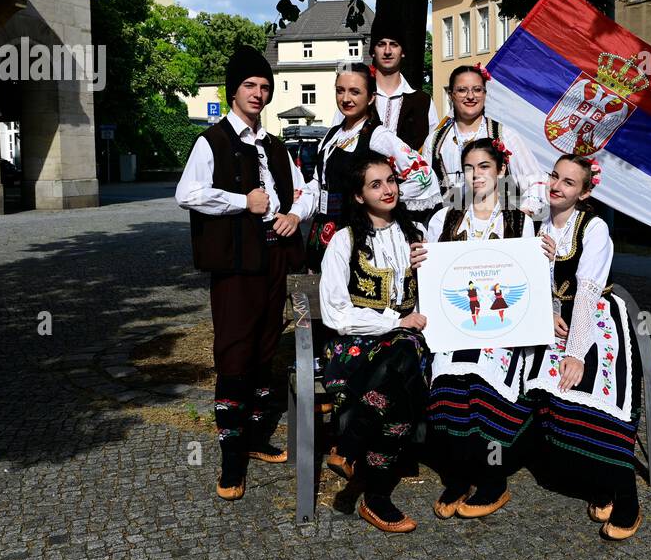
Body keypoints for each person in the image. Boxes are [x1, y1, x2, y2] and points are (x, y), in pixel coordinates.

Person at [175, 45, 315, 500]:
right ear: (233, 90)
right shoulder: (211, 141)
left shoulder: (273, 145)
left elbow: (306, 188)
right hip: (235, 264)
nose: (258, 93)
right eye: (250, 86)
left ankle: (254, 438)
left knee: (264, 348)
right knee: (235, 354)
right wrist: (241, 202)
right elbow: (188, 193)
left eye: (264, 87)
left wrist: (294, 213)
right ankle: (231, 459)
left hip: (275, 256)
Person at [412, 138, 534, 520]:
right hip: (455, 325)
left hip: (503, 328)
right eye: (468, 168)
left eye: (484, 166)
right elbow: (430, 279)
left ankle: (493, 477)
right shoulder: (444, 219)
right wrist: (418, 261)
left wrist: (540, 259)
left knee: (483, 381)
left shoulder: (519, 220)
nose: (476, 175)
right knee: (450, 379)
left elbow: (528, 282)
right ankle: (460, 474)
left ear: (500, 171)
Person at [523, 155, 643, 541]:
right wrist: (547, 311)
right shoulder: (535, 220)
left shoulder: (594, 230)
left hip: (595, 318)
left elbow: (588, 293)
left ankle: (624, 494)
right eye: (554, 176)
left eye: (569, 183)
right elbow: (531, 278)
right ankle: (594, 476)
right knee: (534, 379)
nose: (557, 186)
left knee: (598, 390)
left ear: (585, 192)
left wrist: (576, 351)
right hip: (550, 317)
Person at [319, 153, 433, 533]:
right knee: (401, 369)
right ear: (357, 196)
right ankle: (377, 497)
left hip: (406, 347)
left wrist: (427, 270)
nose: (388, 190)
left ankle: (351, 445)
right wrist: (393, 321)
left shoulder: (417, 233)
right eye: (375, 184)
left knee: (403, 354)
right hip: (356, 350)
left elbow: (437, 299)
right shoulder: (343, 241)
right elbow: (335, 312)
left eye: (391, 180)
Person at [304, 61, 440, 267]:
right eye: (340, 91)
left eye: (355, 92)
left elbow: (423, 175)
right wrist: (296, 212)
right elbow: (318, 181)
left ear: (370, 98)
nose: (346, 99)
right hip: (323, 235)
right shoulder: (332, 135)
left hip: (358, 236)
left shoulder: (378, 136)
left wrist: (382, 198)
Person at [422, 64, 548, 219]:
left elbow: (537, 181)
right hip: (452, 234)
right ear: (450, 94)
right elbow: (425, 192)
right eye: (462, 90)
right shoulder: (435, 141)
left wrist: (522, 213)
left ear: (485, 93)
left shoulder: (505, 136)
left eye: (477, 89)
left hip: (500, 232)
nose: (470, 96)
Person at [330, 17, 437, 151]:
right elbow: (336, 143)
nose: (387, 51)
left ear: (402, 52)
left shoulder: (423, 101)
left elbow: (431, 150)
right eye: (381, 44)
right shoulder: (355, 96)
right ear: (373, 51)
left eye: (394, 44)